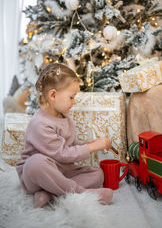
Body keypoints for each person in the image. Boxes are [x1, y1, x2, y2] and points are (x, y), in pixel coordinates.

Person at [16, 63, 113, 208]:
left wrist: (87, 144)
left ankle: (49, 194)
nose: (74, 102)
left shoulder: (65, 119)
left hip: (61, 171)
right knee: (36, 163)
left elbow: (70, 146)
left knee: (97, 173)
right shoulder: (40, 123)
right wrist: (91, 147)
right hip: (36, 175)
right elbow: (62, 154)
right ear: (53, 95)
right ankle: (81, 193)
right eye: (71, 97)